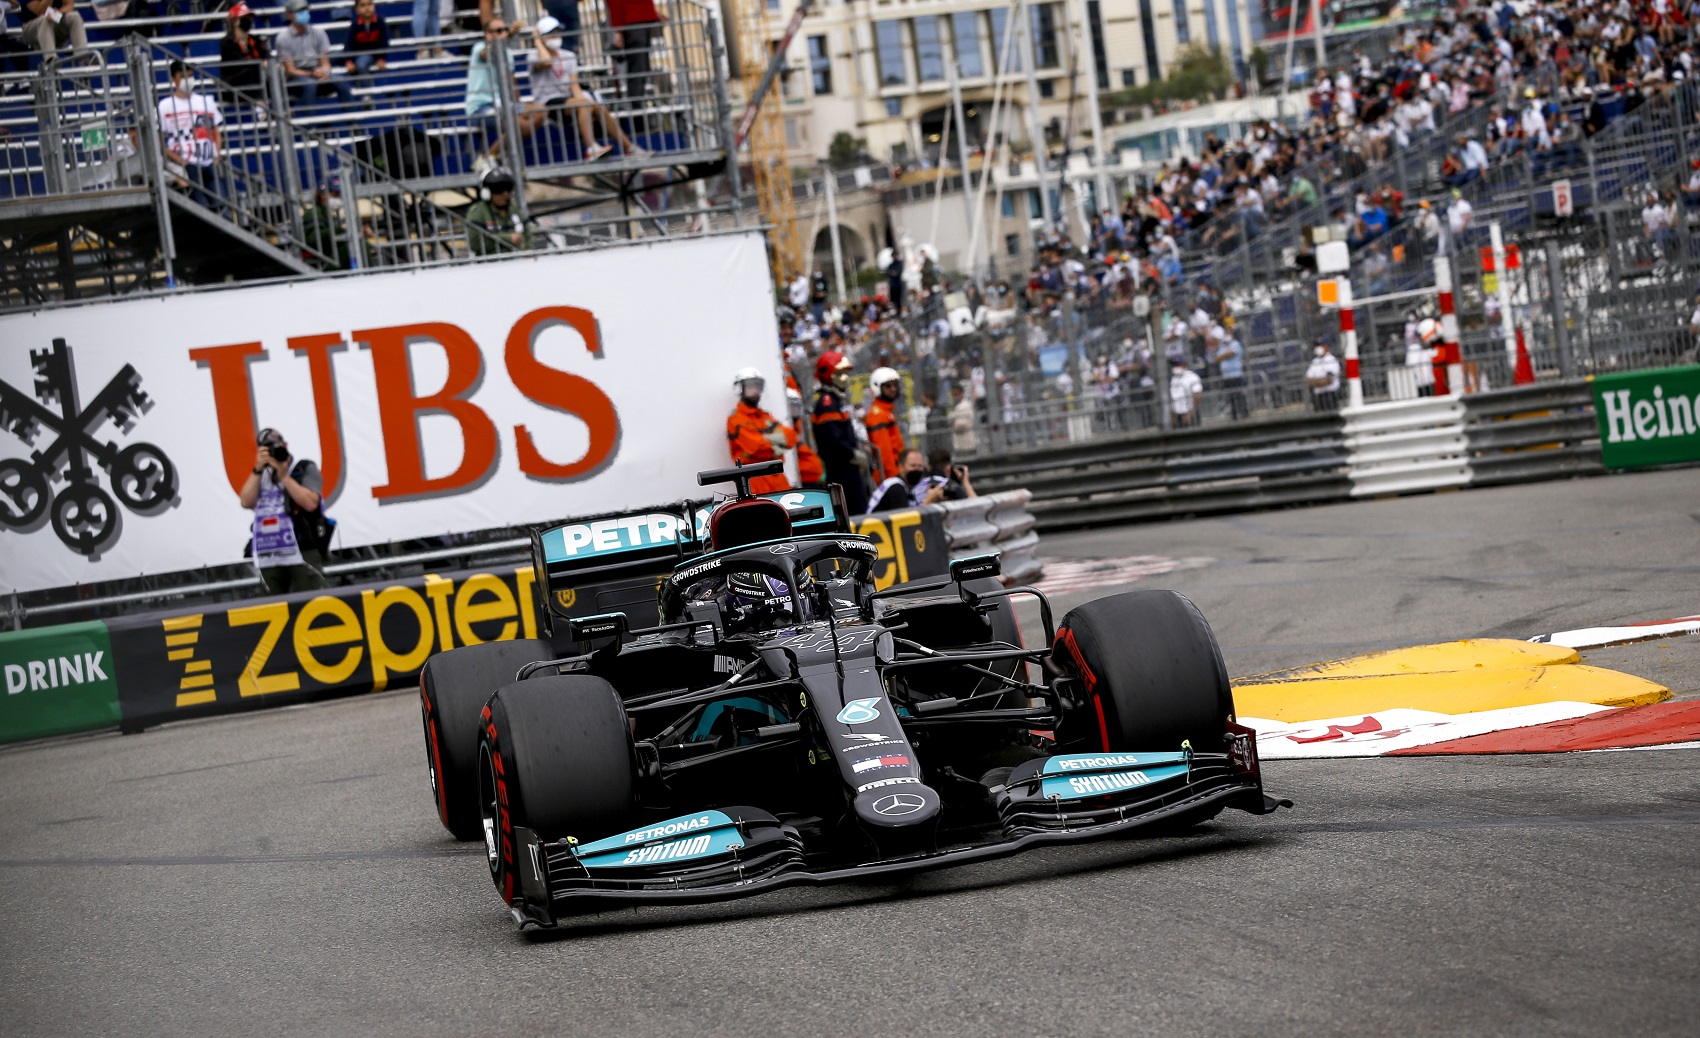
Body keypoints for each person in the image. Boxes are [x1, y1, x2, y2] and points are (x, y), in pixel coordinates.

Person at [519, 16, 642, 163]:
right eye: (551, 33)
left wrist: (589, 104)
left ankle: (629, 148)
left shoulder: (568, 55)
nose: (556, 36)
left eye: (557, 32)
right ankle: (592, 149)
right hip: (546, 103)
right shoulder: (533, 56)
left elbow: (574, 85)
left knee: (597, 107)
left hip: (568, 102)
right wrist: (537, 41)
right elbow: (546, 62)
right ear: (542, 36)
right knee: (584, 105)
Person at [239, 428, 331, 594]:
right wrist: (258, 469)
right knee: (273, 603)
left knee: (312, 599)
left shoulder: (303, 468)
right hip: (269, 550)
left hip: (301, 547)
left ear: (285, 445)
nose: (274, 452)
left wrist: (284, 477)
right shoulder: (261, 474)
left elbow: (311, 503)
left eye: (277, 446)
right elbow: (246, 501)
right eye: (268, 449)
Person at [157, 60, 223, 212]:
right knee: (201, 206)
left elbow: (216, 131)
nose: (188, 80)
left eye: (190, 75)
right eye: (183, 76)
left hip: (208, 161)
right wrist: (176, 158)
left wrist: (217, 155)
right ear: (173, 79)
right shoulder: (165, 106)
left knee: (219, 204)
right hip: (187, 163)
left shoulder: (205, 102)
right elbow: (158, 138)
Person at [811, 350, 868, 514]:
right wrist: (852, 454)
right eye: (839, 373)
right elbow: (834, 440)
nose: (845, 378)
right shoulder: (827, 403)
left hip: (847, 469)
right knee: (852, 510)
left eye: (845, 373)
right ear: (828, 375)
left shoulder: (836, 400)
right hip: (841, 471)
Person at [276, 0, 355, 112]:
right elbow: (290, 70)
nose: (303, 13)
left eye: (305, 10)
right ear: (289, 15)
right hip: (295, 78)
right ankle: (308, 122)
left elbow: (326, 64)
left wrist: (323, 72)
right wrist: (311, 74)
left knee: (341, 82)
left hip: (317, 71)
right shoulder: (283, 38)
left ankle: (352, 120)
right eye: (299, 11)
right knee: (310, 84)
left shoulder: (319, 32)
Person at [726, 367, 794, 494]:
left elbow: (791, 437)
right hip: (754, 481)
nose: (755, 391)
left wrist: (766, 441)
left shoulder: (764, 416)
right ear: (740, 389)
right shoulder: (736, 419)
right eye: (750, 387)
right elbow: (756, 447)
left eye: (758, 386)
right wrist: (777, 445)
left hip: (778, 478)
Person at [466, 165, 531, 254]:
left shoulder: (515, 210)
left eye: (508, 189)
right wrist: (508, 238)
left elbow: (528, 237)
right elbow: (475, 243)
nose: (505, 194)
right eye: (499, 189)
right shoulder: (478, 212)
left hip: (520, 260)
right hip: (492, 261)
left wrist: (528, 252)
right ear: (487, 192)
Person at [605, 0, 663, 99]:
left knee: (641, 68)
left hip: (638, 19)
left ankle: (638, 103)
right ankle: (636, 105)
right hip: (632, 21)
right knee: (638, 69)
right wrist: (618, 30)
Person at [218, 3, 269, 103]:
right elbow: (239, 63)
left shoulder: (255, 40)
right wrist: (260, 63)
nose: (249, 20)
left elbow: (267, 55)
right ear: (234, 21)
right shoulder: (227, 43)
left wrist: (268, 61)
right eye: (245, 18)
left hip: (256, 81)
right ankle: (260, 107)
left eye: (249, 17)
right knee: (253, 70)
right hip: (234, 86)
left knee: (274, 70)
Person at [863, 366, 906, 484]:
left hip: (894, 470)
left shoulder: (885, 412)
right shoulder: (878, 415)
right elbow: (884, 451)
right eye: (888, 386)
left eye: (895, 385)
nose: (893, 389)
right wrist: (894, 476)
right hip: (889, 476)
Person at [867, 447, 938, 512]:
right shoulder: (896, 487)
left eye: (920, 466)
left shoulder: (905, 488)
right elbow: (906, 519)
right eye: (913, 466)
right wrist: (929, 501)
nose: (917, 470)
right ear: (901, 467)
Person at [343, 0, 390, 86]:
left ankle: (367, 91)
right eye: (363, 5)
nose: (367, 8)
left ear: (374, 6)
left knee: (361, 64)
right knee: (332, 58)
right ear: (356, 10)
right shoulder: (355, 25)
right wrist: (349, 61)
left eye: (369, 4)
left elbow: (384, 43)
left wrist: (381, 59)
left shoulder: (380, 22)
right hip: (355, 54)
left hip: (371, 55)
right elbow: (348, 44)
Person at [19, 0, 86, 57]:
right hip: (32, 31)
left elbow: (70, 5)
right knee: (44, 20)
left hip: (55, 24)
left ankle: (83, 57)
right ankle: (51, 60)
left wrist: (58, 12)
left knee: (74, 16)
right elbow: (41, 12)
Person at [1210, 326, 1247, 421]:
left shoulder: (1236, 344)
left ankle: (1244, 412)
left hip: (1236, 374)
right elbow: (1217, 358)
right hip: (1226, 376)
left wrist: (1223, 356)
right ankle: (1234, 415)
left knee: (1239, 394)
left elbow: (1231, 353)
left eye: (1229, 333)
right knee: (1231, 396)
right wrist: (1224, 355)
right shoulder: (1222, 346)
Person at [1307, 338, 1342, 412]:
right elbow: (1308, 380)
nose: (1317, 348)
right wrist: (1320, 382)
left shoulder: (1331, 360)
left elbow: (1328, 380)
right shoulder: (1315, 361)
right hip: (1318, 397)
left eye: (1320, 346)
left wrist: (1316, 382)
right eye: (1316, 346)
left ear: (1326, 347)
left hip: (1331, 395)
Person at [1169, 357, 1203, 428]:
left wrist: (1191, 413)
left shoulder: (1192, 377)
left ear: (1184, 365)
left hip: (1189, 412)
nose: (1175, 367)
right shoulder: (1174, 379)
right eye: (1174, 365)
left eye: (1177, 365)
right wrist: (1173, 414)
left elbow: (1197, 395)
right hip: (1177, 415)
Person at [948, 382, 978, 454]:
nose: (955, 396)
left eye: (957, 394)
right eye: (953, 394)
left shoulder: (965, 406)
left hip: (967, 445)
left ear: (962, 394)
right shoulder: (957, 406)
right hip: (960, 445)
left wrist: (951, 424)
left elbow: (961, 426)